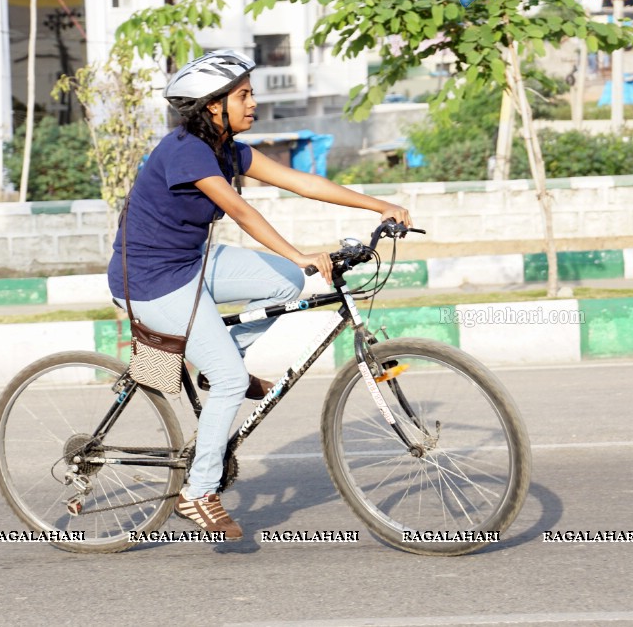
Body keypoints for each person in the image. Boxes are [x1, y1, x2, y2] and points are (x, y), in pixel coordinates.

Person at [108, 49, 412, 541]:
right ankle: (198, 492)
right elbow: (242, 213)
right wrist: (299, 253)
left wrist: (379, 205)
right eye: (243, 95)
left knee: (284, 283)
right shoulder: (186, 150)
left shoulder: (229, 149)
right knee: (232, 379)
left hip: (193, 263)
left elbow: (303, 182)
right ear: (212, 106)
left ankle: (218, 363)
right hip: (150, 279)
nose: (253, 103)